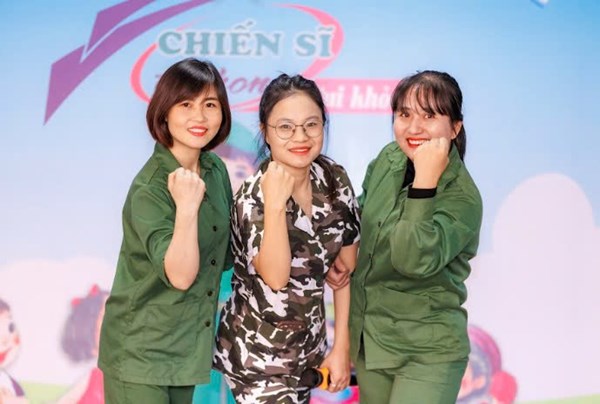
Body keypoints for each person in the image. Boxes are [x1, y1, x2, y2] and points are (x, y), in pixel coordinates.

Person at [213, 74, 360, 403]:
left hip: (307, 354)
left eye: (311, 125)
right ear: (265, 131)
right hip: (258, 358)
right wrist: (276, 204)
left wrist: (341, 347)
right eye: (285, 127)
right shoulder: (252, 198)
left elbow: (345, 268)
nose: (300, 137)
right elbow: (276, 277)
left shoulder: (333, 179)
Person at [98, 58, 233, 404]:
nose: (199, 116)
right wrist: (187, 208)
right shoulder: (150, 189)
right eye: (186, 104)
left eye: (210, 104)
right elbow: (181, 276)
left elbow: (224, 255)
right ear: (165, 112)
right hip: (140, 353)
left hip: (184, 348)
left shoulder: (215, 170)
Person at [347, 70, 483, 403]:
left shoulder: (463, 198)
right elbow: (362, 216)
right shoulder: (388, 159)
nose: (414, 127)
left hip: (427, 353)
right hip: (372, 342)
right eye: (404, 114)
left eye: (429, 116)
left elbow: (412, 259)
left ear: (455, 127)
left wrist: (424, 183)